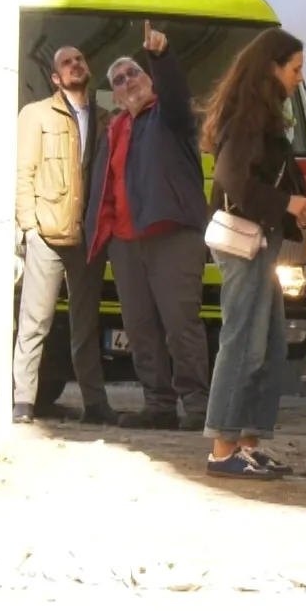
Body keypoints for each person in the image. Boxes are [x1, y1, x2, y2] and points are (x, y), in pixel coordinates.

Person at [86, 21, 212, 431]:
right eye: (119, 80)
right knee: (140, 328)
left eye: (134, 73)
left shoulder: (171, 116)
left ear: (148, 80)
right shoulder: (115, 128)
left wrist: (161, 56)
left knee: (181, 325)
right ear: (115, 94)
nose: (128, 82)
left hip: (172, 234)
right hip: (125, 242)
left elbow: (175, 92)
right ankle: (158, 403)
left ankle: (197, 407)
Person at [200, 27, 306, 480]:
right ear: (272, 68)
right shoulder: (250, 117)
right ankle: (223, 447)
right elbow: (233, 178)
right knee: (244, 343)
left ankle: (247, 441)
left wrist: (295, 218)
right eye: (295, 70)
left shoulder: (261, 113)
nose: (298, 79)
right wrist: (288, 205)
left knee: (269, 345)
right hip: (244, 243)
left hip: (260, 240)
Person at [13, 46, 118, 426]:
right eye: (66, 62)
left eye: (80, 60)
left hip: (87, 238)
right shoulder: (37, 114)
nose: (76, 64)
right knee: (35, 320)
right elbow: (23, 170)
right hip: (48, 231)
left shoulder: (106, 120)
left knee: (85, 325)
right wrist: (29, 226)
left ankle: (95, 403)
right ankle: (23, 400)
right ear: (56, 78)